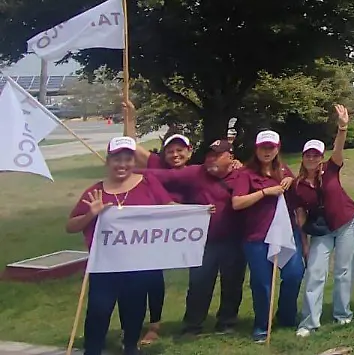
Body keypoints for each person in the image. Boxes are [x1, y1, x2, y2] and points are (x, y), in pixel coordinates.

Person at [67, 137, 176, 355]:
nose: (123, 164)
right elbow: (70, 226)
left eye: (128, 159)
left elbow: (170, 207)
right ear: (108, 161)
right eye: (117, 159)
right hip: (105, 265)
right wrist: (91, 214)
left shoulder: (147, 183)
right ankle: (93, 349)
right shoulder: (96, 191)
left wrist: (198, 212)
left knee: (134, 310)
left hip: (138, 263)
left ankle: (130, 346)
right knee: (99, 310)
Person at [139, 138, 245, 335]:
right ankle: (193, 325)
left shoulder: (242, 174)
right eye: (209, 155)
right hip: (204, 241)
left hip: (235, 239)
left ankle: (227, 321)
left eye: (217, 155)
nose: (211, 159)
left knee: (232, 282)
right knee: (199, 284)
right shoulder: (196, 172)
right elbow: (160, 176)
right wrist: (129, 173)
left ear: (230, 157)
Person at [122, 102, 189, 347]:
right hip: (149, 232)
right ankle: (140, 325)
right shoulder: (155, 165)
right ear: (163, 153)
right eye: (170, 150)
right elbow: (130, 146)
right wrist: (130, 117)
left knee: (156, 278)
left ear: (189, 152)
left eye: (180, 150)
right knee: (146, 277)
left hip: (177, 235)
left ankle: (155, 324)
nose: (175, 155)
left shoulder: (196, 171)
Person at [293, 105, 354, 337]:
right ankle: (309, 322)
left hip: (346, 223)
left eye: (316, 154)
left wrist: (343, 127)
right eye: (308, 154)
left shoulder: (331, 170)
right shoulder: (297, 185)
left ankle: (342, 314)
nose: (312, 158)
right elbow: (300, 216)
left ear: (321, 157)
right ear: (303, 158)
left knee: (343, 270)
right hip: (321, 231)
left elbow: (339, 149)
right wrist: (304, 242)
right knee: (315, 272)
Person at [230, 129, 302, 344]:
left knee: (294, 274)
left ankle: (287, 317)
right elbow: (237, 202)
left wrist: (290, 179)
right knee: (262, 283)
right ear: (257, 149)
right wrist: (264, 193)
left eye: (271, 147)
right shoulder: (246, 174)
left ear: (277, 148)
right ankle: (262, 325)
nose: (267, 151)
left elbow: (294, 184)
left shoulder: (282, 169)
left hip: (284, 233)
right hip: (257, 236)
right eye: (263, 148)